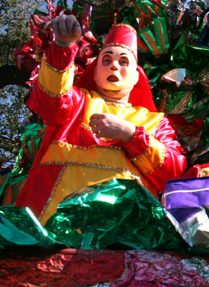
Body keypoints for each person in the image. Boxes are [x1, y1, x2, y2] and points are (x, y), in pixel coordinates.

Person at [16, 15, 186, 223]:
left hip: (123, 227)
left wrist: (131, 135)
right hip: (54, 219)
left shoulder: (155, 122)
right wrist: (62, 46)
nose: (114, 66)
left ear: (136, 76)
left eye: (123, 61)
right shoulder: (77, 104)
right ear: (94, 73)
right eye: (106, 60)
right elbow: (50, 100)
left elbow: (172, 172)